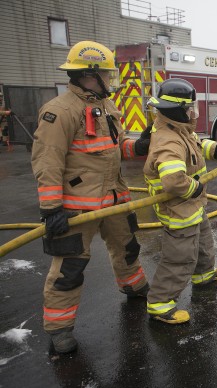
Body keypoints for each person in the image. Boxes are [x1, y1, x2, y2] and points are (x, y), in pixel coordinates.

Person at [31, 41, 152, 353]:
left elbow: (115, 146)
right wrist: (51, 208)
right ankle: (60, 329)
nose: (110, 81)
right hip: (77, 208)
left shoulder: (105, 106)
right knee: (69, 268)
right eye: (107, 75)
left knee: (127, 247)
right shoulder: (59, 112)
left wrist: (137, 147)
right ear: (89, 74)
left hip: (114, 198)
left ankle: (134, 285)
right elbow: (47, 161)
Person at [143, 78, 217, 324]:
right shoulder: (168, 140)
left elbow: (195, 146)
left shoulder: (177, 129)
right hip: (178, 208)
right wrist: (194, 188)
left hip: (192, 205)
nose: (192, 113)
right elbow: (173, 181)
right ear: (176, 110)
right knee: (180, 257)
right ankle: (161, 304)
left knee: (204, 243)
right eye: (188, 108)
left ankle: (203, 275)